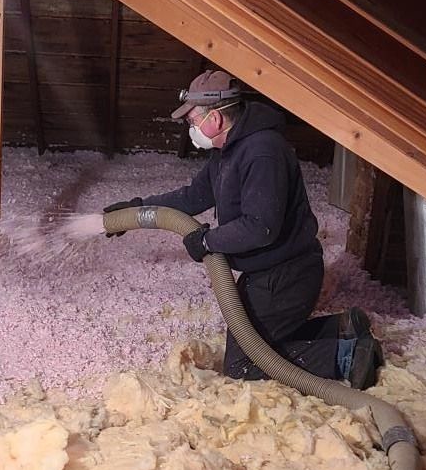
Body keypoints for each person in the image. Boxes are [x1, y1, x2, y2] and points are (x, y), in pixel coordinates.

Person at [104, 69, 383, 389]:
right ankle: (341, 327)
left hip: (287, 275)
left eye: (193, 120)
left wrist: (208, 240)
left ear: (217, 119)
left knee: (244, 364)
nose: (190, 127)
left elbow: (260, 227)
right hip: (267, 272)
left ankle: (346, 355)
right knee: (254, 342)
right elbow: (193, 196)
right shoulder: (228, 151)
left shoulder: (262, 152)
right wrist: (138, 207)